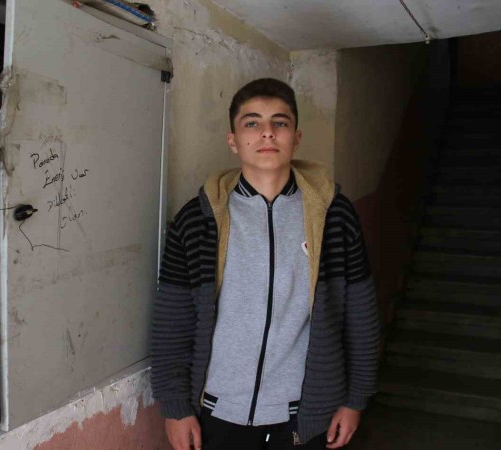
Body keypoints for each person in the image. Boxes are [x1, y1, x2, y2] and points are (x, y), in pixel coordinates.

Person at [150, 78, 379, 450]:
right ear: (233, 140)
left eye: (280, 122)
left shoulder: (334, 215)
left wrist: (355, 399)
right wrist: (175, 408)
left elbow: (361, 316)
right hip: (217, 413)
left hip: (305, 415)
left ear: (296, 137)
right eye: (252, 123)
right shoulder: (198, 220)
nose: (267, 133)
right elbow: (172, 323)